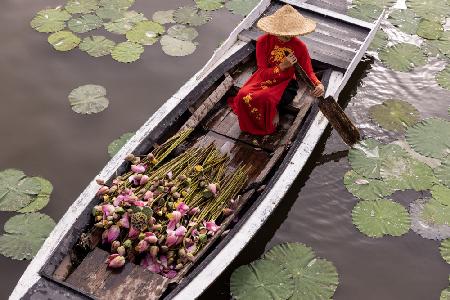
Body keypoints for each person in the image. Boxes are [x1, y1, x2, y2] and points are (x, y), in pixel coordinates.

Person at [228, 5, 324, 136]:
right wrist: (282, 66)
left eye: (288, 35)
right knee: (242, 95)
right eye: (280, 34)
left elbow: (308, 71)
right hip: (264, 77)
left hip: (286, 82)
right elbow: (262, 71)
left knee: (267, 98)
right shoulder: (263, 41)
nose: (283, 38)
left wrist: (318, 83)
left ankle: (274, 110)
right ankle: (254, 120)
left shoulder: (300, 47)